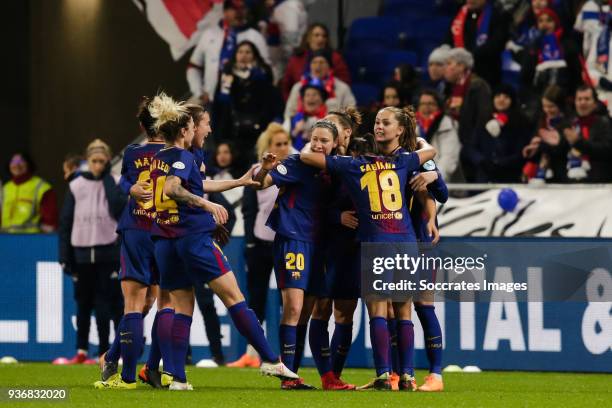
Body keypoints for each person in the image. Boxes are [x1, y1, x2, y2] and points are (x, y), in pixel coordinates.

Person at [146, 93, 296, 390]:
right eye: (206, 124)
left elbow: (198, 184)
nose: (209, 130)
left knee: (182, 306)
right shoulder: (182, 156)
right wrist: (207, 206)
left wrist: (239, 182)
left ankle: (177, 378)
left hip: (164, 241)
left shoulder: (159, 158)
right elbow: (177, 189)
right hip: (191, 238)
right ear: (187, 129)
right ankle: (270, 359)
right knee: (233, 297)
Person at [299, 116, 437, 391]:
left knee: (377, 312)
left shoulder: (352, 165)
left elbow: (307, 157)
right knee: (403, 312)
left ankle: (384, 374)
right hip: (406, 242)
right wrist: (419, 143)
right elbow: (430, 151)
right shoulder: (401, 162)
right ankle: (407, 375)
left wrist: (311, 142)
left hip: (376, 242)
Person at [94, 98, 172, 390]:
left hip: (137, 229)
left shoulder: (133, 152)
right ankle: (126, 371)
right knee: (152, 301)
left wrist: (132, 188)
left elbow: (125, 183)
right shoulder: (176, 153)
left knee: (138, 303)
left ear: (142, 126)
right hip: (164, 231)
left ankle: (117, 364)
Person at [306, 108, 363, 390]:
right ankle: (326, 375)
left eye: (332, 128)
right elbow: (310, 206)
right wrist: (336, 216)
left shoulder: (359, 160)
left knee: (346, 312)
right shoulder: (316, 165)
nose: (324, 136)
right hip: (324, 244)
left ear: (346, 133)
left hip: (353, 246)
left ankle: (335, 377)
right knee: (321, 309)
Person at [228, 123, 292, 368]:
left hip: (287, 243)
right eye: (278, 144)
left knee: (291, 300)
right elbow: (248, 210)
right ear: (268, 148)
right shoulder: (257, 171)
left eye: (285, 143)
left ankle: (288, 353)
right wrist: (251, 243)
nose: (283, 147)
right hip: (261, 243)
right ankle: (252, 352)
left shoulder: (299, 169)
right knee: (256, 298)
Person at [58, 139, 126, 365]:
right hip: (82, 253)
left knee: (107, 303)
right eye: (94, 161)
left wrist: (106, 178)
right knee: (83, 303)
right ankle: (81, 350)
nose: (98, 165)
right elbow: (66, 222)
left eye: (102, 161)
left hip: (108, 252)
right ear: (88, 161)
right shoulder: (76, 186)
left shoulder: (115, 182)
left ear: (108, 161)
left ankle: (106, 351)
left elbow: (119, 210)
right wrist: (64, 256)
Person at [187, 0, 270, 103]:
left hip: (245, 102)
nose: (238, 13)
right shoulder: (209, 34)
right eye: (234, 9)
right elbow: (193, 67)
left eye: (242, 8)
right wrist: (198, 92)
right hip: (212, 100)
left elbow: (266, 71)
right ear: (225, 11)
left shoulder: (255, 37)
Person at [213, 40, 283, 162]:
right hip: (232, 134)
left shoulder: (263, 75)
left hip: (259, 132)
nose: (243, 55)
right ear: (235, 55)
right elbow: (218, 108)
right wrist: (219, 137)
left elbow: (274, 102)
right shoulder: (226, 77)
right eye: (240, 52)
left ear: (254, 56)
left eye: (248, 52)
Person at [462, 84, 532, 182]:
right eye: (498, 96)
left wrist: (500, 163)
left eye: (506, 97)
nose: (501, 100)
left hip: (509, 175)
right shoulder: (483, 118)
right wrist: (482, 161)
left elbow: (521, 151)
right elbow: (471, 147)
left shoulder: (520, 121)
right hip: (484, 176)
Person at [444, 47, 492, 181]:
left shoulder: (478, 86)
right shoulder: (449, 88)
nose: (445, 68)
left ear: (461, 66)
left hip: (473, 148)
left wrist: (471, 146)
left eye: (449, 64)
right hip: (455, 144)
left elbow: (483, 118)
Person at [446, 0, 510, 87]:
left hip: (486, 74)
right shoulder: (458, 14)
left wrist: (468, 59)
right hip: (458, 73)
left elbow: (496, 44)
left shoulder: (498, 15)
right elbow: (448, 41)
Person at [520, 8, 581, 98]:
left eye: (549, 20)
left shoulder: (567, 44)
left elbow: (576, 72)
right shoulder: (532, 46)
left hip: (564, 94)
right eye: (540, 21)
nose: (544, 24)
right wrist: (533, 49)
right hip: (539, 94)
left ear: (556, 23)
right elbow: (525, 75)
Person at [281, 23, 351, 100]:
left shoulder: (335, 58)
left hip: (331, 101)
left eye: (324, 36)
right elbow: (286, 86)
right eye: (316, 35)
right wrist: (293, 101)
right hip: (300, 104)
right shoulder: (296, 59)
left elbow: (345, 81)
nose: (321, 39)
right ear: (308, 38)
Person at [284, 49, 356, 122]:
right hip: (301, 128)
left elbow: (351, 114)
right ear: (309, 66)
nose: (318, 66)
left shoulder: (342, 88)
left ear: (329, 66)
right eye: (314, 62)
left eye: (322, 62)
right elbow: (289, 113)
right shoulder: (298, 87)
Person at [562, 85, 612, 182]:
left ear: (595, 103)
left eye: (587, 99)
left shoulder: (605, 122)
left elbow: (607, 149)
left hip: (600, 182)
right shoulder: (570, 122)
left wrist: (579, 142)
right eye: (579, 99)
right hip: (571, 182)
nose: (582, 102)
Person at [1, 152, 57, 233]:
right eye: (13, 162)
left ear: (28, 164)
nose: (17, 165)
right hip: (6, 240)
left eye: (21, 161)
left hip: (32, 240)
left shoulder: (41, 187)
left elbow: (50, 221)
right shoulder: (5, 188)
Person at [522, 85, 568, 183]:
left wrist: (543, 145)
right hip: (541, 174)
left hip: (562, 173)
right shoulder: (541, 120)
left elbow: (563, 148)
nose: (547, 110)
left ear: (560, 105)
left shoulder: (568, 122)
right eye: (544, 106)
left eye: (551, 106)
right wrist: (532, 149)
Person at [416, 89, 463, 182]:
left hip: (443, 184)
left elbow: (448, 159)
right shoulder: (413, 127)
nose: (426, 107)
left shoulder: (447, 125)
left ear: (438, 106)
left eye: (430, 104)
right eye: (423, 104)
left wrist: (434, 180)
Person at [287, 82, 329, 150]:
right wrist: (295, 132)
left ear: (322, 100)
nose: (311, 98)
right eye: (307, 95)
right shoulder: (293, 119)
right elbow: (284, 142)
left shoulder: (328, 120)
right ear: (303, 101)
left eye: (315, 94)